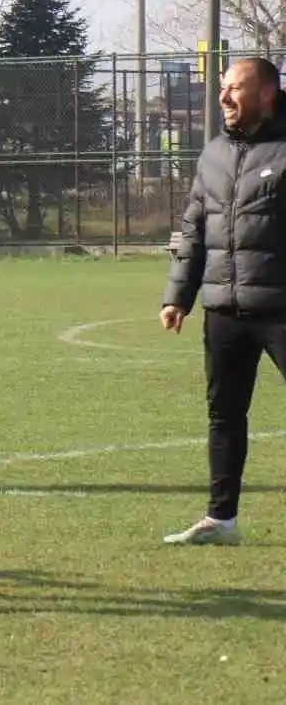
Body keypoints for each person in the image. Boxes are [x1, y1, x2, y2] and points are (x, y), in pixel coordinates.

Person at [161, 56, 286, 546]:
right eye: (223, 88)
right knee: (224, 415)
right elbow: (195, 229)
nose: (224, 97)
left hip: (281, 306)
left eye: (236, 88)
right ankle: (221, 520)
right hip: (224, 309)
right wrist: (179, 295)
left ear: (267, 93)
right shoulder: (212, 154)